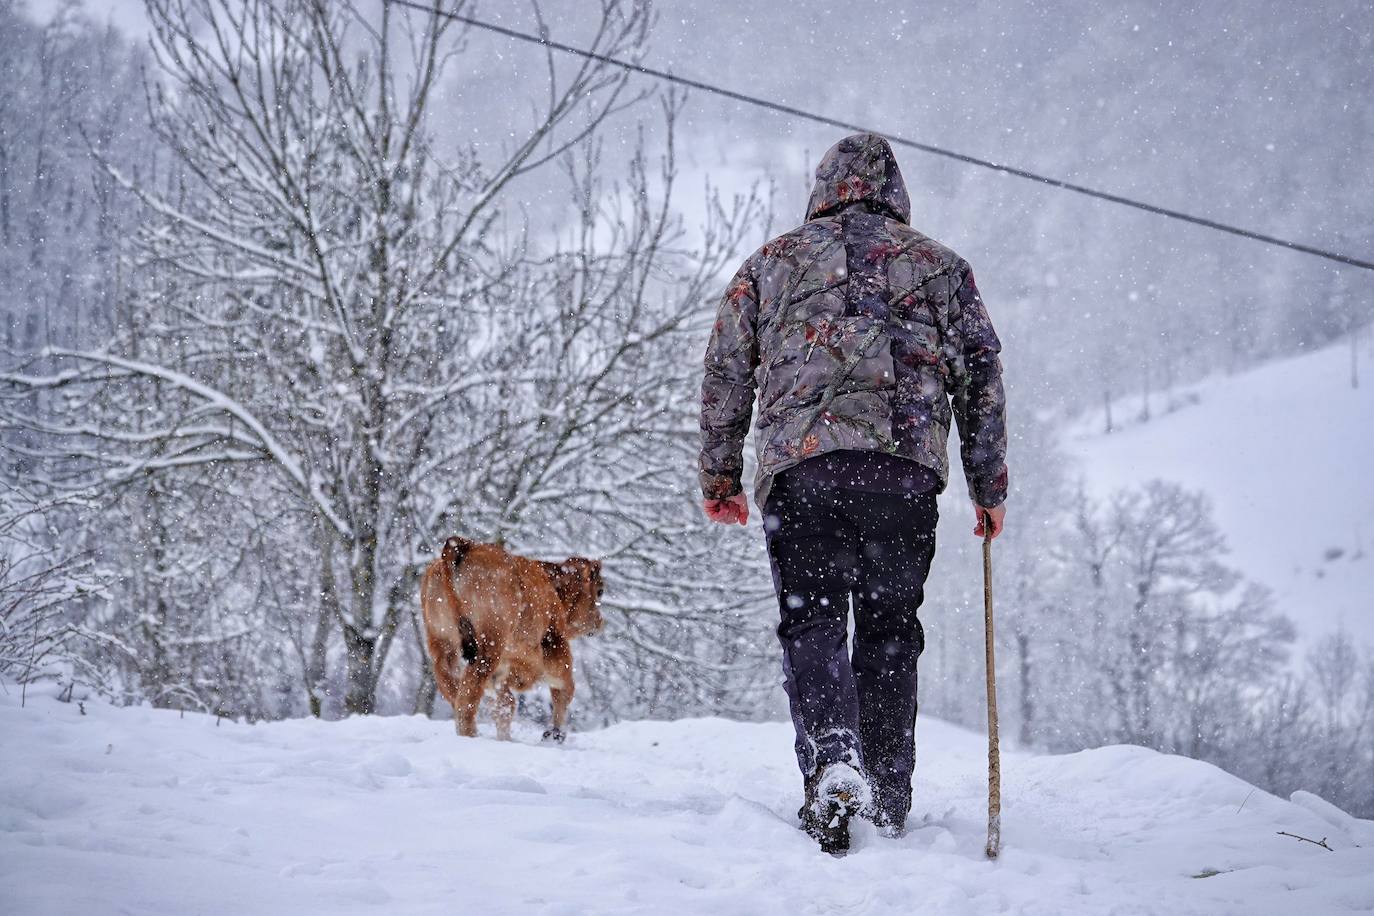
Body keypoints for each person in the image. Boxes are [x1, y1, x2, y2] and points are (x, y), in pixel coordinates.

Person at [698, 133, 1008, 855]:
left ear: (823, 189)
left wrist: (719, 475)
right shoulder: (941, 268)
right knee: (890, 629)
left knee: (812, 623)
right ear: (896, 193)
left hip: (802, 470)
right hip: (903, 472)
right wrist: (987, 484)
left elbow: (725, 372)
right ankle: (890, 794)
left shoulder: (770, 264)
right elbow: (982, 376)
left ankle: (835, 762)